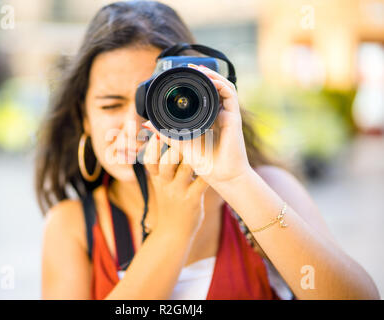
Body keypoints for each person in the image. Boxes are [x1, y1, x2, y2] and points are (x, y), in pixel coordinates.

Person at [35, 0, 379, 300]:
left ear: (200, 98)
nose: (132, 128)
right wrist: (174, 230)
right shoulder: (73, 227)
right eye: (110, 106)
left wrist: (237, 181)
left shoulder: (266, 189)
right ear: (84, 117)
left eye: (154, 102)